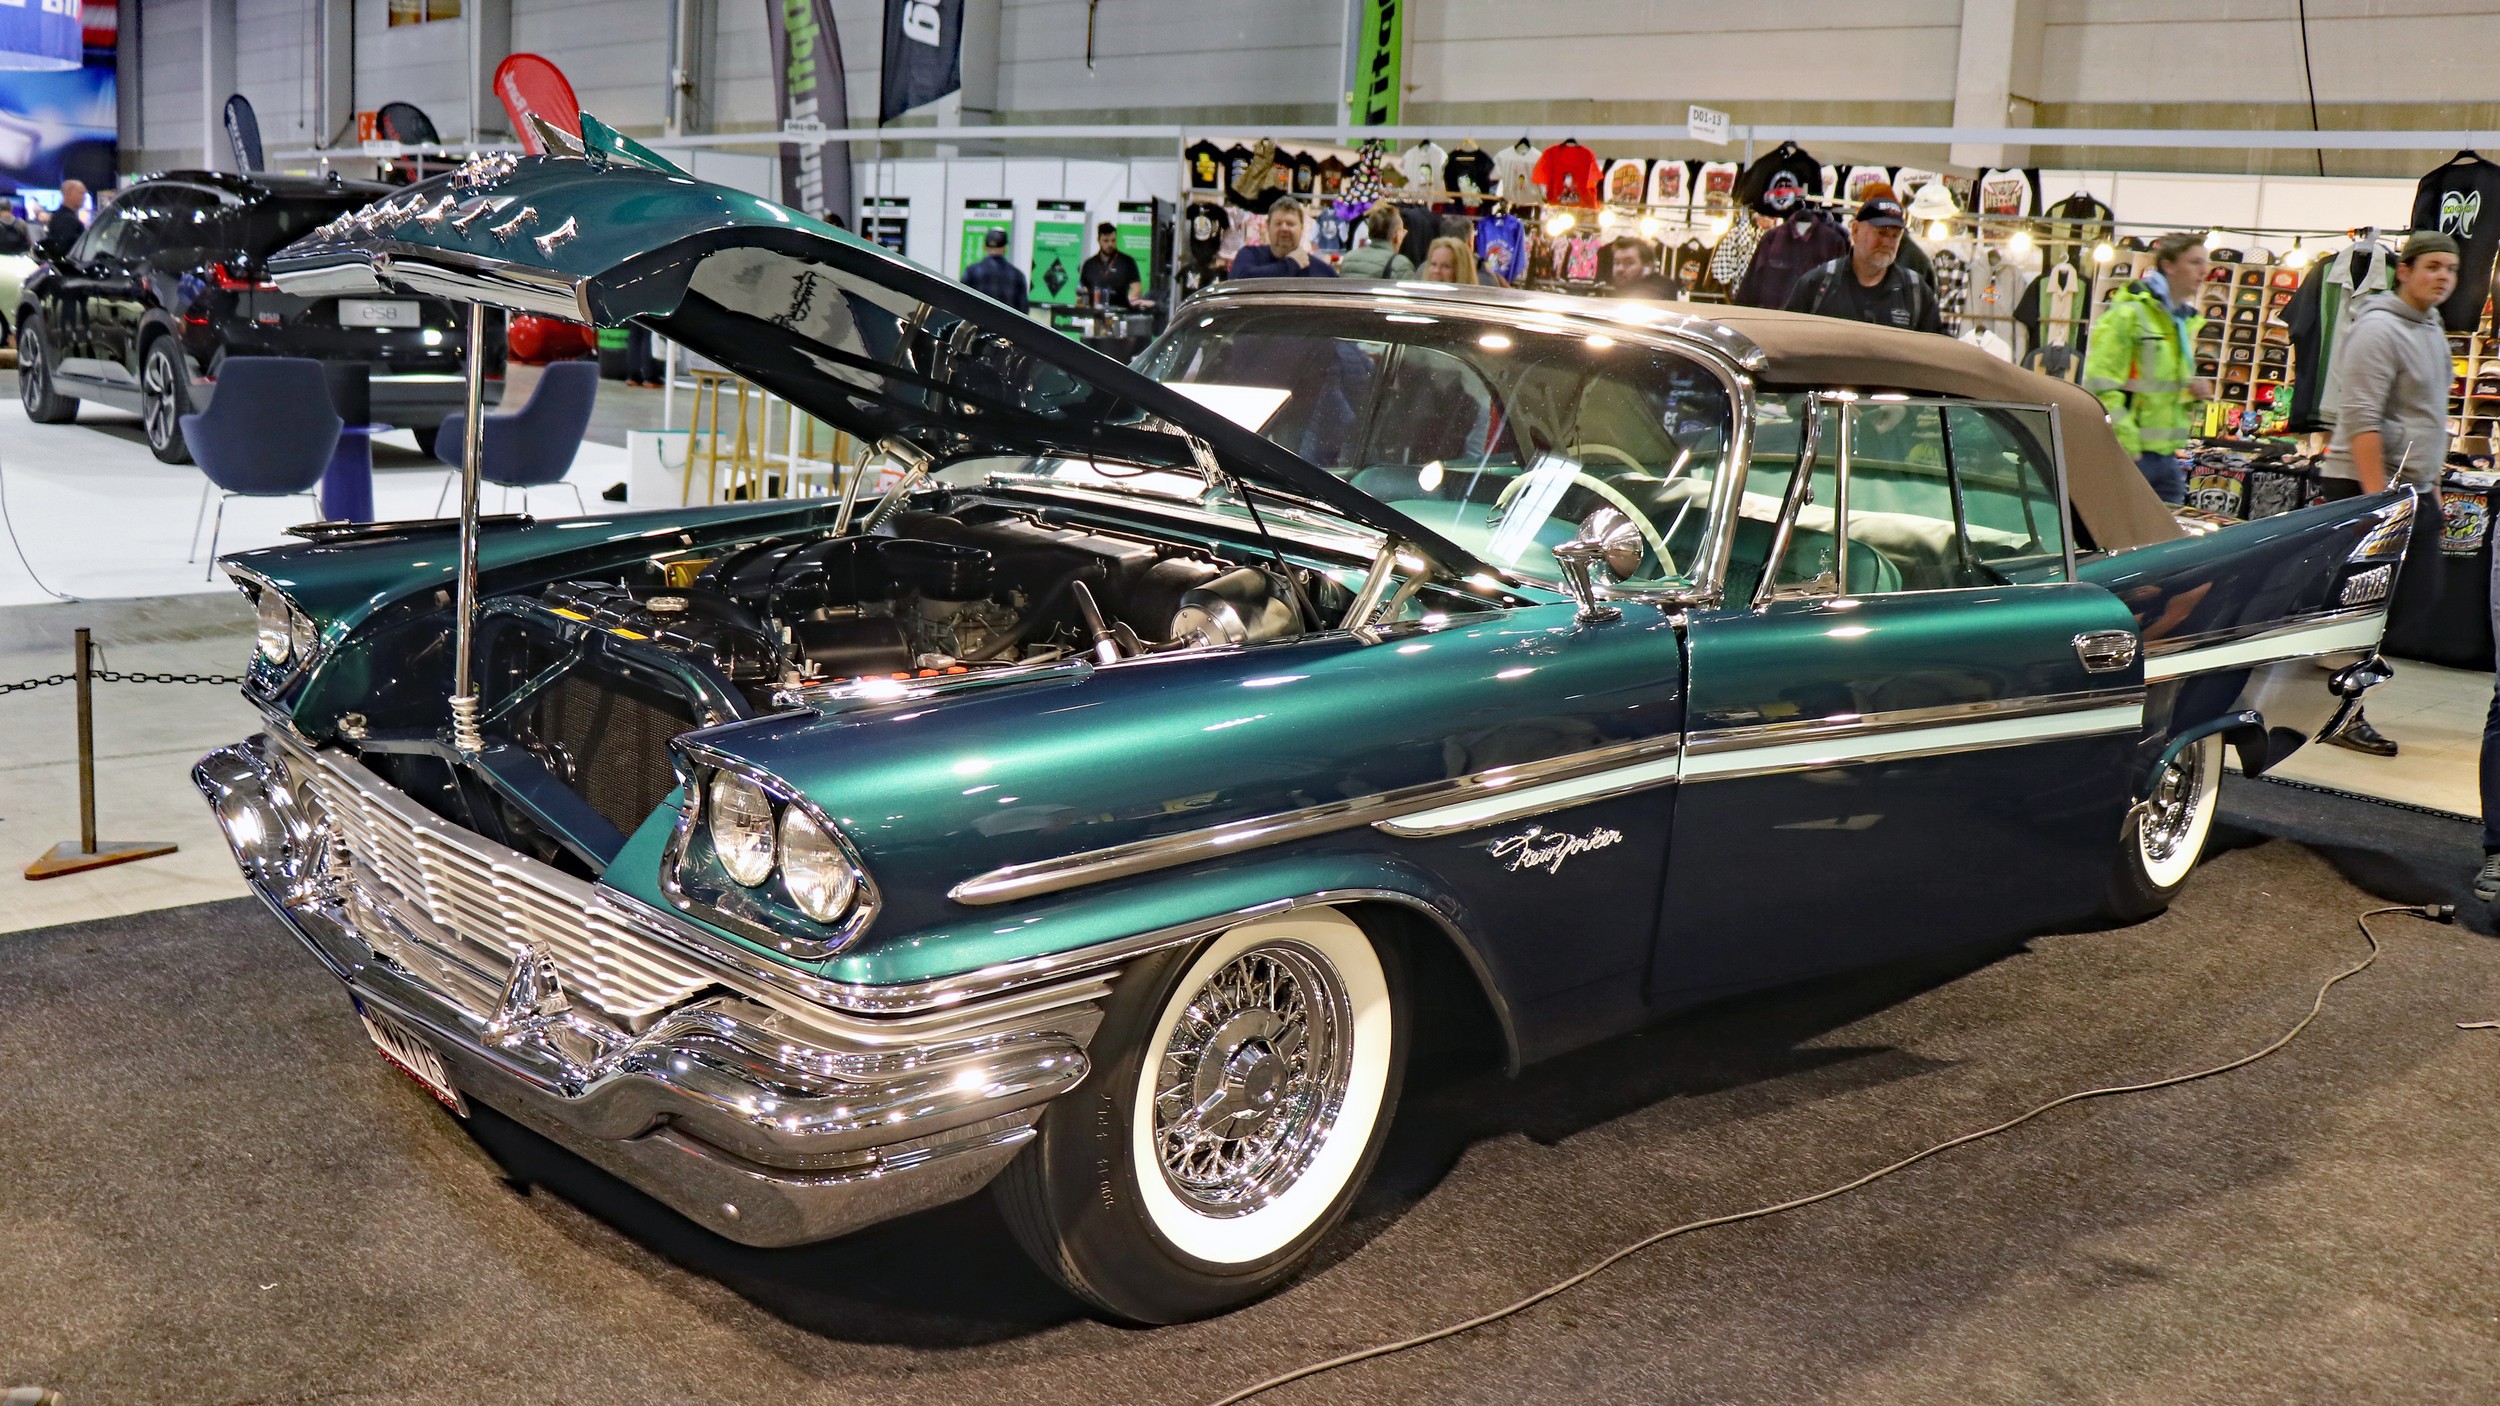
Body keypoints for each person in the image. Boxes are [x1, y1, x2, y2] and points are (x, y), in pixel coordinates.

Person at [2324, 231, 2461, 758]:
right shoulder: (2377, 328)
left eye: (2451, 268)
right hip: (2367, 486)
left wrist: (2432, 486)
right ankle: (2341, 709)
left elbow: (2428, 417)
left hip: (2414, 488)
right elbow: (2361, 418)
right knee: (2366, 609)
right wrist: (2379, 505)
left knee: (2417, 599)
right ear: (2404, 270)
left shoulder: (2432, 326)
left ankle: (2333, 694)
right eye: (2432, 266)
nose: (2443, 276)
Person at [2082, 230, 2213, 505]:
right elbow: (2101, 386)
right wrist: (2128, 446)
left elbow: (2157, 388)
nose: (2204, 271)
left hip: (2166, 457)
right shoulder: (2129, 315)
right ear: (2169, 265)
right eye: (2195, 262)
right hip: (2131, 455)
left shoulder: (2179, 322)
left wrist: (2192, 391)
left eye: (2205, 262)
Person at [1783, 196, 1943, 333]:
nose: (1888, 242)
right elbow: (1788, 339)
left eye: (1895, 235)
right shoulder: (1818, 284)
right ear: (1855, 230)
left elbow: (1936, 348)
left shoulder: (1916, 292)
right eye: (1881, 233)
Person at [1227, 197, 1337, 280]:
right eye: (1278, 223)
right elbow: (1240, 280)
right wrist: (1292, 264)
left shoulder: (1323, 272)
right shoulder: (1249, 255)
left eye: (1290, 224)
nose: (1284, 228)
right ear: (1267, 227)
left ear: (1302, 228)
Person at [1336, 204, 1413, 279]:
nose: (1404, 234)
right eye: (1402, 231)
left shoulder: (1349, 258)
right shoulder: (1400, 265)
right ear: (1396, 235)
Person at [962, 226, 1029, 312]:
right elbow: (1023, 310)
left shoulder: (971, 272)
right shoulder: (1017, 275)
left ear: (985, 247)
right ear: (1005, 249)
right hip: (1005, 321)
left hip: (977, 320)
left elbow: (962, 303)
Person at [1078, 222, 1144, 307]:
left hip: (1120, 310)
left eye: (1113, 240)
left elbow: (1137, 288)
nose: (1110, 244)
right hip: (1094, 310)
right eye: (1106, 241)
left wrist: (1131, 300)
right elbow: (1082, 291)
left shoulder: (1127, 262)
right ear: (1098, 240)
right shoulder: (1089, 264)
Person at [1603, 238, 1680, 299]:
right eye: (1617, 263)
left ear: (1648, 267)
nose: (1620, 269)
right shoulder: (1617, 288)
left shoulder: (1661, 287)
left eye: (1629, 263)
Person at [37, 179, 85, 259]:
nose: (84, 197)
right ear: (69, 194)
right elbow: (64, 251)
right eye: (81, 193)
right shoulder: (68, 221)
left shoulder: (58, 216)